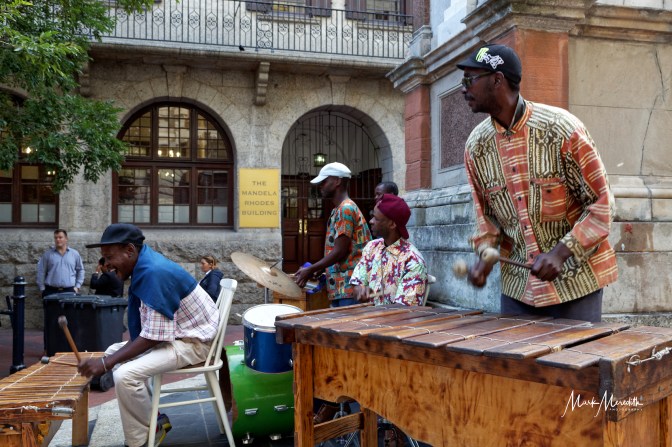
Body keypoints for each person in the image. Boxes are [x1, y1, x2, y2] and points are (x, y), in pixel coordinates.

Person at [458, 44, 618, 322]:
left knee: (575, 364)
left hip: (576, 285)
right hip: (518, 291)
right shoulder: (476, 147)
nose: (463, 88)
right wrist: (484, 259)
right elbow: (486, 220)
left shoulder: (562, 130)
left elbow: (603, 206)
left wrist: (560, 253)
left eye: (470, 79)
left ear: (497, 80)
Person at [78, 224, 219, 447]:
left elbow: (153, 337)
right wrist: (108, 359)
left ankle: (142, 439)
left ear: (130, 251)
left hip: (195, 343)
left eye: (109, 257)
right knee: (114, 352)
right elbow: (151, 332)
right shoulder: (145, 264)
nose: (106, 265)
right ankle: (155, 421)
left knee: (125, 375)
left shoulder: (153, 272)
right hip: (178, 336)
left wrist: (105, 364)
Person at [294, 162, 372, 307]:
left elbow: (340, 251)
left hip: (349, 288)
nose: (321, 186)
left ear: (337, 181)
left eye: (324, 181)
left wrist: (312, 268)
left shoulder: (346, 209)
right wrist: (321, 268)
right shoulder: (338, 209)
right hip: (340, 287)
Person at [351, 194, 428, 306]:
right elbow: (356, 283)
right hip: (369, 318)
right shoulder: (371, 247)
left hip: (396, 322)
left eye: (376, 218)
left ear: (392, 224)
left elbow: (406, 311)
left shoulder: (413, 261)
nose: (371, 221)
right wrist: (360, 290)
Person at [37, 229, 85, 297]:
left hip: (69, 291)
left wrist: (77, 286)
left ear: (66, 239)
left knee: (70, 308)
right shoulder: (47, 255)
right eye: (56, 238)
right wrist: (42, 289)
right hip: (51, 291)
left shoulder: (74, 254)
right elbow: (41, 271)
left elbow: (80, 270)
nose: (57, 239)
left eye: (60, 237)